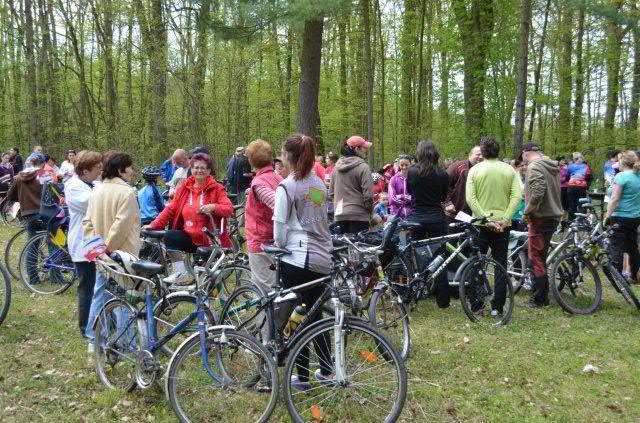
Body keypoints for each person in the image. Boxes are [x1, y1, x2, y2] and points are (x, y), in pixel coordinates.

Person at [273, 134, 333, 391]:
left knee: (297, 316)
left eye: (282, 153)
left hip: (297, 258)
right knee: (316, 315)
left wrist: (279, 246)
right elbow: (317, 218)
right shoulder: (318, 184)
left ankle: (303, 377)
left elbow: (279, 227)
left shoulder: (287, 187)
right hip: (322, 256)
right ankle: (327, 371)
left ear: (289, 156)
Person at [83, 152, 141, 349]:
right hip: (122, 254)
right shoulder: (127, 193)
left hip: (102, 254)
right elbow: (121, 225)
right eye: (130, 167)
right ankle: (125, 343)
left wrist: (97, 249)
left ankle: (94, 339)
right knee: (125, 296)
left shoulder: (96, 190)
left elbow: (87, 223)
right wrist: (107, 249)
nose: (132, 171)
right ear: (120, 169)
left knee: (100, 295)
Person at [147, 153, 233, 284]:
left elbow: (228, 209)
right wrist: (153, 225)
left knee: (209, 281)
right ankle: (181, 273)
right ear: (191, 169)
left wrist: (213, 207)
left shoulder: (217, 188)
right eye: (196, 167)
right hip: (190, 236)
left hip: (210, 239)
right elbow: (171, 208)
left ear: (209, 170)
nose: (199, 170)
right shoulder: (185, 188)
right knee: (170, 236)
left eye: (203, 168)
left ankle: (216, 292)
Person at [465, 136, 522, 317]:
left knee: (476, 264)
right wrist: (505, 218)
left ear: (482, 152)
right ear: (498, 151)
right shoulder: (509, 170)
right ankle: (498, 307)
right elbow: (517, 196)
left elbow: (470, 198)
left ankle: (477, 305)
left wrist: (484, 218)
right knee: (500, 266)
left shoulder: (475, 170)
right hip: (502, 225)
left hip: (480, 224)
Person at [6, 153, 62, 287]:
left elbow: (10, 196)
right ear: (42, 164)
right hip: (45, 213)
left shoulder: (19, 177)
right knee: (53, 243)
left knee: (32, 245)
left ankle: (33, 278)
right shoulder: (43, 176)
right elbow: (54, 194)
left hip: (29, 215)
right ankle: (56, 276)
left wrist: (23, 199)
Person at [405, 140, 450, 308]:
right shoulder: (442, 173)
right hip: (437, 217)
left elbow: (410, 192)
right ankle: (443, 298)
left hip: (417, 217)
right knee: (441, 256)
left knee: (417, 256)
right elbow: (443, 196)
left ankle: (418, 290)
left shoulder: (412, 172)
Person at [64, 150, 103, 338]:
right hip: (83, 242)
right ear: (85, 171)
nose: (101, 171)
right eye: (97, 168)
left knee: (98, 285)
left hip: (95, 241)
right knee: (87, 286)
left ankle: (99, 323)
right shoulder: (73, 186)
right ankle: (86, 327)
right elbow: (93, 203)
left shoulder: (93, 183)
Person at [520, 143, 563, 307]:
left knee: (536, 258)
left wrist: (528, 211)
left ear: (525, 153)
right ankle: (542, 295)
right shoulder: (550, 165)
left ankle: (539, 299)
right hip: (552, 215)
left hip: (540, 217)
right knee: (541, 257)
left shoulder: (535, 166)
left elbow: (538, 191)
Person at [244, 139, 283, 293]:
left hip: (261, 242)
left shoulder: (259, 183)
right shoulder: (278, 178)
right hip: (276, 239)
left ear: (251, 160)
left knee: (265, 291)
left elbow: (279, 204)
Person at [605, 151, 640, 284]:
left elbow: (614, 198)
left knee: (616, 246)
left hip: (620, 216)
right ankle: (635, 275)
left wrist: (607, 216)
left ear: (623, 163)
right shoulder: (637, 175)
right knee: (632, 246)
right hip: (635, 217)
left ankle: (617, 277)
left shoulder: (621, 176)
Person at [329, 135, 374, 234]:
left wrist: (339, 209)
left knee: (342, 244)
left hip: (340, 216)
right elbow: (368, 196)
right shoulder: (363, 167)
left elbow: (331, 193)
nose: (366, 151)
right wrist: (370, 213)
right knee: (359, 243)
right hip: (359, 216)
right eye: (364, 148)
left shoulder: (336, 168)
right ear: (357, 149)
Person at [444, 146, 482, 218]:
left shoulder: (484, 170)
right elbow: (443, 185)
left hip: (476, 213)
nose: (481, 157)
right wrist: (447, 203)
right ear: (470, 155)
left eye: (483, 154)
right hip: (455, 212)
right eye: (478, 154)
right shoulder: (458, 167)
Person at [566, 152, 591, 221]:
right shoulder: (586, 167)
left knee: (572, 205)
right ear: (581, 158)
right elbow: (588, 177)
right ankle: (581, 221)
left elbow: (567, 177)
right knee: (582, 205)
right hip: (581, 187)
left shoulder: (570, 166)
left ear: (574, 159)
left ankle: (571, 222)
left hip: (571, 187)